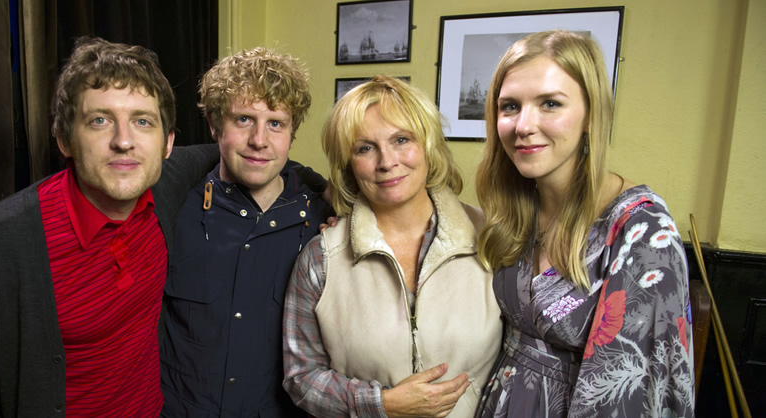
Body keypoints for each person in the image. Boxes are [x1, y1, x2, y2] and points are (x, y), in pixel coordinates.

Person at [0, 37, 220, 417]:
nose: (123, 141)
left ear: (167, 144)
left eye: (142, 121)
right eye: (99, 120)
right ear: (65, 139)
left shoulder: (167, 184)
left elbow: (243, 152)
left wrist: (324, 194)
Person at [473, 30, 694, 417]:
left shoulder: (641, 233)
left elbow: (631, 396)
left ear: (592, 114)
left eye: (550, 104)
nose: (523, 125)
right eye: (509, 106)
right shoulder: (516, 211)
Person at [283, 75, 503, 418]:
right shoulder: (320, 259)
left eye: (401, 139)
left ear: (428, 146)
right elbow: (302, 378)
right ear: (349, 167)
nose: (387, 162)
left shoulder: (493, 239)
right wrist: (380, 404)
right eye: (365, 148)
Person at [159, 47, 328, 417]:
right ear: (216, 126)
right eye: (244, 120)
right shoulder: (173, 208)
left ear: (292, 135)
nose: (259, 140)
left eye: (276, 124)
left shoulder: (323, 223)